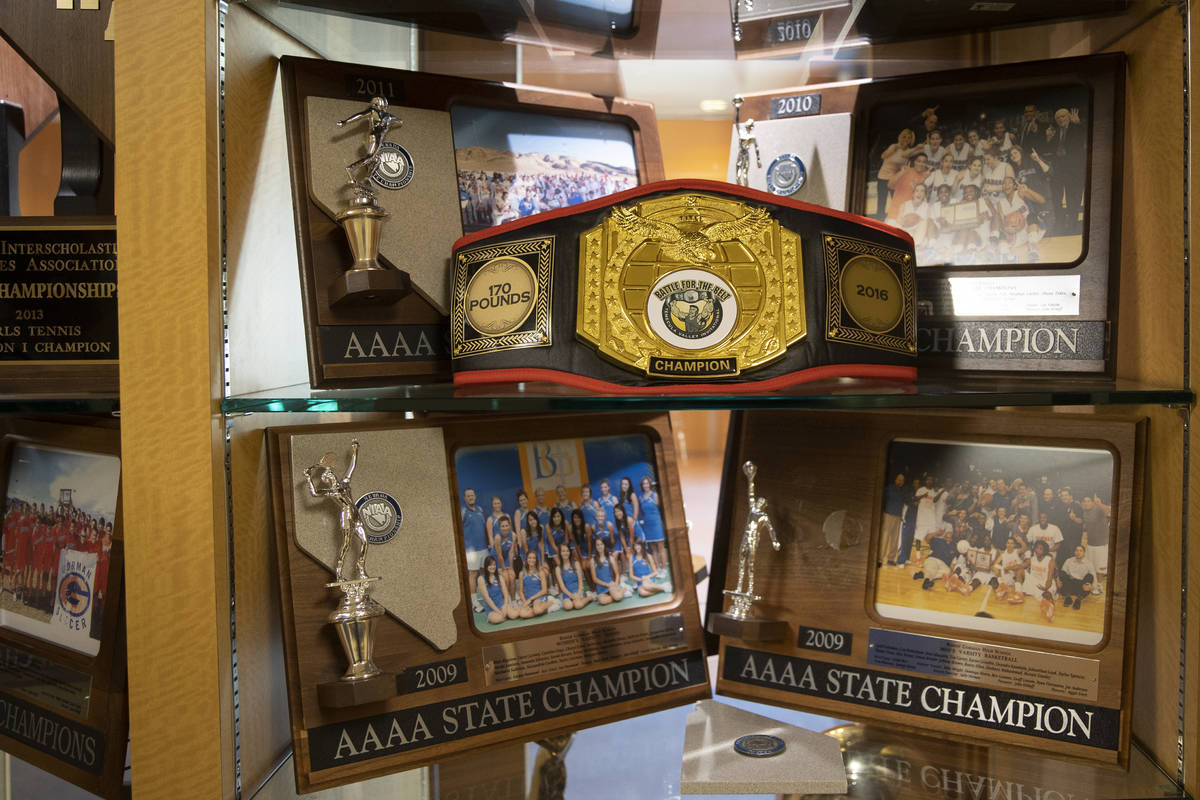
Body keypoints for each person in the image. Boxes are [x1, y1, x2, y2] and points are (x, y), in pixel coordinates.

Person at [874, 129, 923, 220]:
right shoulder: (894, 146)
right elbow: (883, 156)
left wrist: (924, 144)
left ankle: (896, 220)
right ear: (900, 137)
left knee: (896, 200)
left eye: (909, 138)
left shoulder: (909, 151)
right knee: (881, 202)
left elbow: (917, 151)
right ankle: (879, 222)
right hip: (883, 177)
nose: (906, 140)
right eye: (904, 137)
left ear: (911, 140)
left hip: (894, 179)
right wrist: (892, 150)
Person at [461, 488, 488, 613]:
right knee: (473, 574)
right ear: (465, 498)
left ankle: (484, 597)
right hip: (471, 550)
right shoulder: (463, 511)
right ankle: (474, 602)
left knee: (483, 572)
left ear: (475, 497)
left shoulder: (480, 510)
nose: (470, 497)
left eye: (472, 495)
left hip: (483, 548)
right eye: (468, 496)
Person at [1081, 494, 1111, 594]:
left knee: (1100, 567)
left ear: (1093, 502)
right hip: (1091, 543)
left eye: (1088, 501)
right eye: (1085, 501)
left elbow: (1109, 512)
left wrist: (1100, 504)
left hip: (1101, 544)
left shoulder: (1099, 509)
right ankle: (1094, 584)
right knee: (1092, 566)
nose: (1086, 503)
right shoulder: (1085, 511)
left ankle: (1099, 586)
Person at [638, 476, 667, 574]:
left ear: (650, 484)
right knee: (653, 548)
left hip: (656, 523)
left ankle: (664, 569)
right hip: (647, 525)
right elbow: (641, 512)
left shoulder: (655, 495)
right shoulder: (640, 497)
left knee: (660, 547)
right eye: (643, 484)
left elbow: (660, 508)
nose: (645, 485)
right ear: (642, 486)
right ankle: (658, 568)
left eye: (647, 483)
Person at [1023, 539, 1058, 622]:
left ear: (1044, 551)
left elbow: (1049, 578)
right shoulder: (1032, 559)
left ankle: (1050, 610)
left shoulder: (1050, 560)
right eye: (1036, 548)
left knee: (1047, 595)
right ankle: (1018, 594)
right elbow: (1022, 566)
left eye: (1040, 549)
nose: (1037, 550)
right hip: (1034, 582)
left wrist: (1046, 588)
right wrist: (1009, 567)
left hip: (1046, 582)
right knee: (1020, 571)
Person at [477, 555, 518, 624]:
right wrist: (499, 611)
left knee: (514, 615)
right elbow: (487, 598)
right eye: (490, 565)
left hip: (501, 604)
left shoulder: (499, 577)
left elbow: (505, 593)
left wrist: (505, 605)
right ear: (486, 566)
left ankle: (507, 613)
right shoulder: (481, 579)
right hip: (491, 608)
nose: (492, 567)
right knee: (497, 619)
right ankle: (504, 615)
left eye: (494, 565)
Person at [555, 542, 591, 610]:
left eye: (567, 551)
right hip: (567, 593)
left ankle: (589, 598)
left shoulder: (576, 564)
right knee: (568, 607)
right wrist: (571, 595)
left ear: (570, 552)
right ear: (560, 553)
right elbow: (562, 587)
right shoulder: (558, 569)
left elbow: (580, 582)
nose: (565, 553)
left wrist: (578, 593)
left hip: (578, 591)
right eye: (563, 551)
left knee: (578, 605)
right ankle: (575, 600)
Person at [589, 536, 625, 604]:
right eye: (598, 545)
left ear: (604, 545)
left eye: (601, 544)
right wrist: (606, 584)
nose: (600, 546)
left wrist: (616, 584)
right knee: (602, 601)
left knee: (618, 597)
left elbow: (617, 574)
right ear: (595, 547)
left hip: (611, 585)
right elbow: (594, 579)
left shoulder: (610, 558)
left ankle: (623, 590)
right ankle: (614, 595)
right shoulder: (592, 561)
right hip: (601, 587)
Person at [1057, 545, 1095, 610]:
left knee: (1090, 576)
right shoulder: (1069, 560)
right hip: (1070, 584)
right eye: (1077, 550)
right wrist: (1058, 581)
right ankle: (1068, 598)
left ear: (1084, 553)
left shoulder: (1089, 563)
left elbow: (1094, 577)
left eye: (1081, 550)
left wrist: (1092, 587)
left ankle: (1078, 600)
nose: (1078, 552)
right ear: (1074, 552)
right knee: (1062, 573)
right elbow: (1062, 573)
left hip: (1081, 586)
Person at [880, 473, 906, 566]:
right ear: (895, 480)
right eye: (899, 480)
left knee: (894, 539)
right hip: (888, 515)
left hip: (898, 516)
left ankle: (891, 559)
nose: (900, 482)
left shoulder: (902, 492)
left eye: (902, 480)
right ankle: (880, 559)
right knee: (885, 537)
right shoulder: (889, 489)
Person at [516, 550, 551, 618]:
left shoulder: (540, 572)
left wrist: (531, 598)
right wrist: (525, 602)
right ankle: (538, 610)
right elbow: (521, 591)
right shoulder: (521, 574)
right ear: (526, 559)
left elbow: (544, 590)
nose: (531, 560)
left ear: (536, 560)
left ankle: (551, 603)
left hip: (538, 598)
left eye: (533, 558)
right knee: (522, 614)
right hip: (528, 599)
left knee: (537, 609)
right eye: (529, 558)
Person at [490, 516, 519, 594]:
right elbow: (499, 555)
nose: (505, 528)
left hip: (506, 557)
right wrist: (504, 569)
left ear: (509, 526)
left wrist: (511, 568)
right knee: (505, 577)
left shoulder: (513, 535)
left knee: (512, 576)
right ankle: (506, 598)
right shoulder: (497, 537)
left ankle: (513, 600)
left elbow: (511, 552)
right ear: (499, 527)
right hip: (496, 559)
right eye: (502, 526)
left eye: (506, 526)